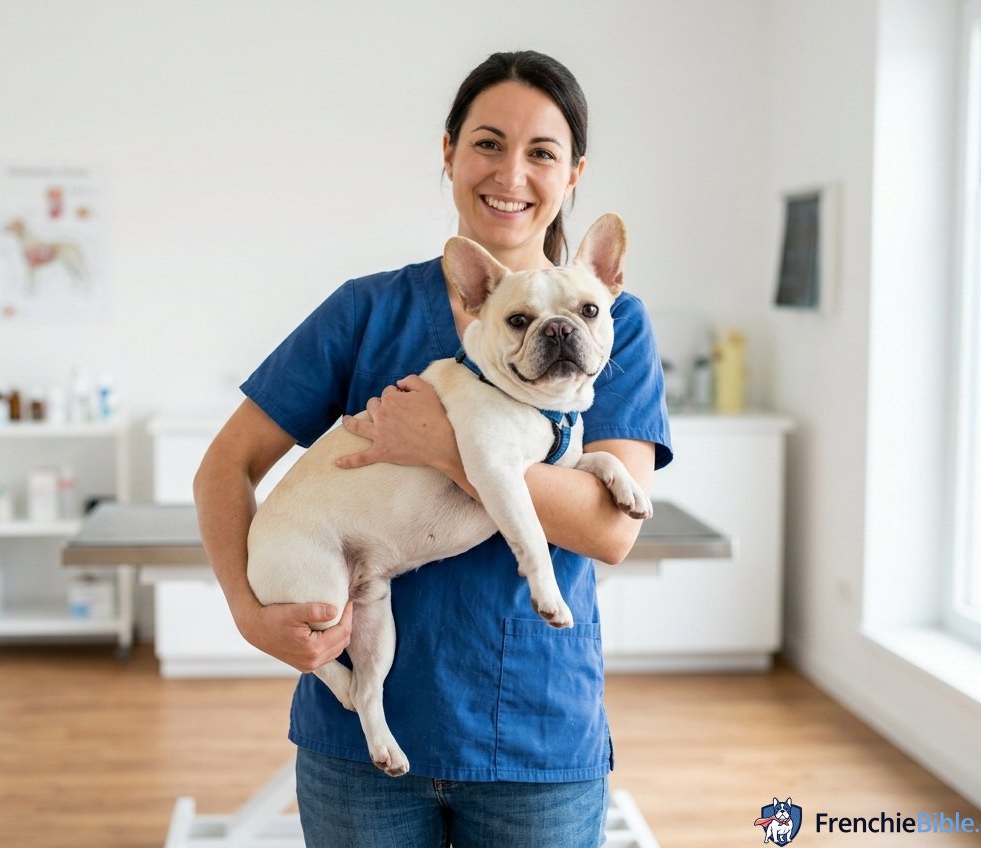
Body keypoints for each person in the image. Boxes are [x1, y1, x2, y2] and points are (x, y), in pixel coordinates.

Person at [193, 49, 673, 848]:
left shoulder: (611, 323)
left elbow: (610, 529)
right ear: (448, 153)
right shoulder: (367, 311)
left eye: (542, 152)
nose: (510, 172)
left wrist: (449, 448)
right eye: (487, 143)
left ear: (574, 173)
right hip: (359, 739)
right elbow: (225, 464)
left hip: (534, 732)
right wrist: (248, 613)